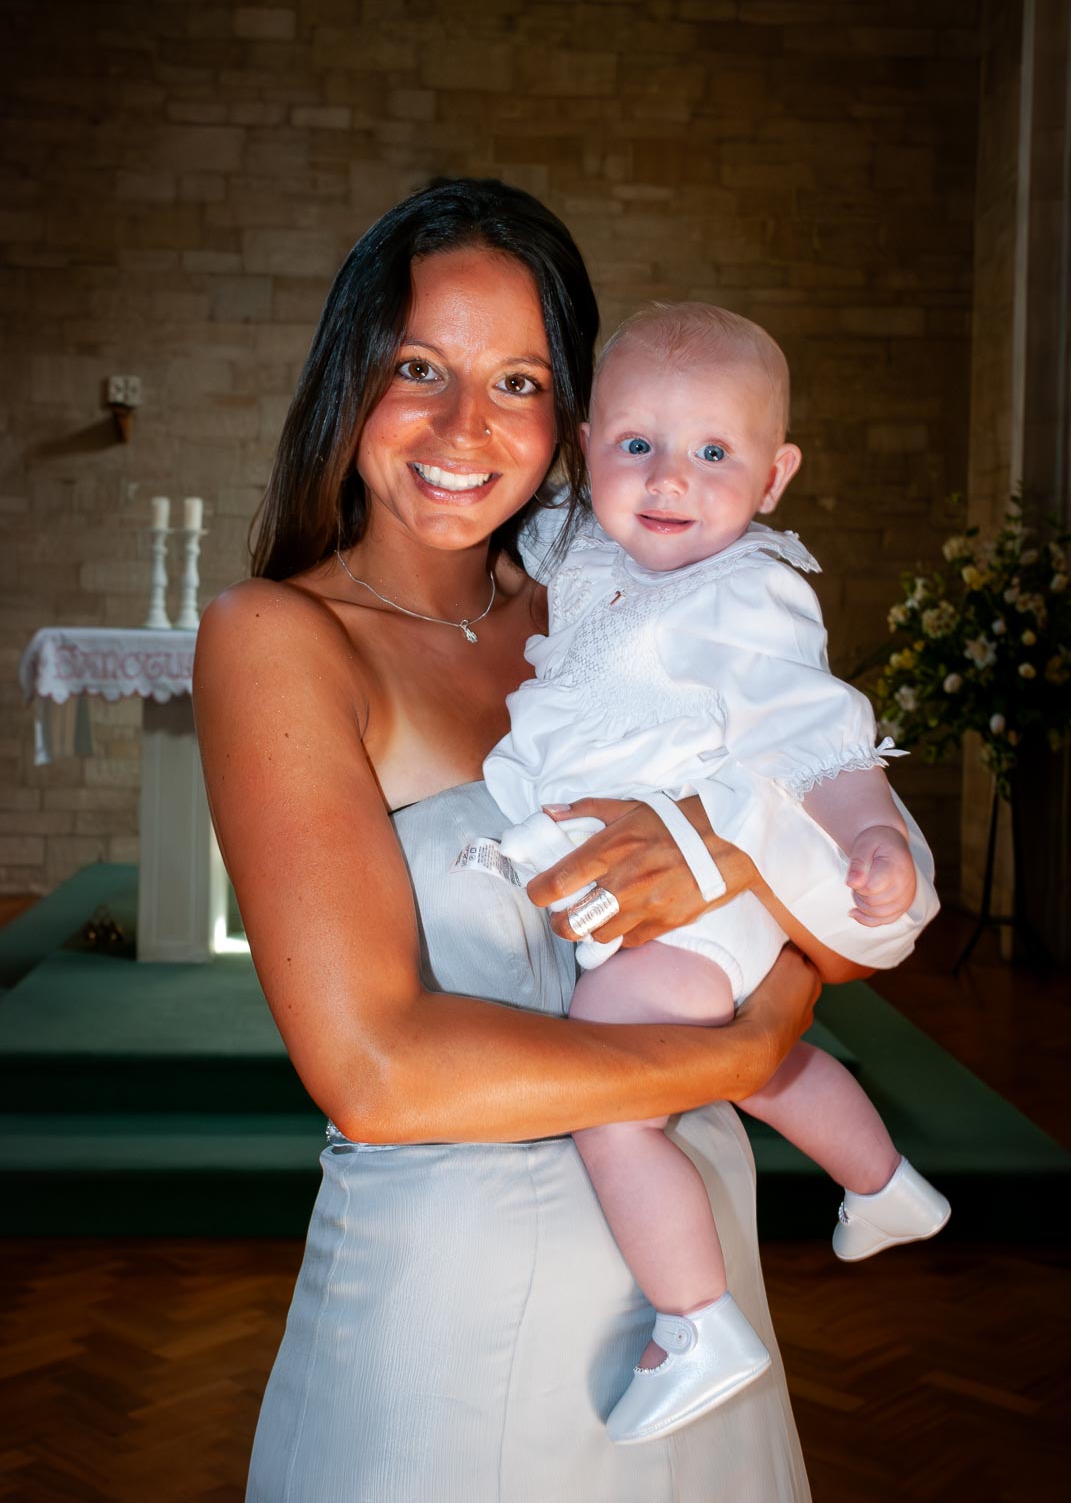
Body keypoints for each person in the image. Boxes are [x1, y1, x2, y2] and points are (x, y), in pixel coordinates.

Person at [194, 178, 930, 1502]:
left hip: (691, 1260)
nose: (463, 424)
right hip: (458, 1304)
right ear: (347, 377)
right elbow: (377, 1074)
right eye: (418, 365)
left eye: (519, 380)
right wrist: (741, 1047)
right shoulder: (281, 642)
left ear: (570, 416)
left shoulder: (630, 607)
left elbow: (854, 931)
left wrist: (724, 855)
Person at [478, 301, 947, 1446]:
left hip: (697, 902)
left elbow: (820, 738)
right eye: (638, 444)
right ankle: (887, 1185)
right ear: (587, 450)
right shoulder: (582, 543)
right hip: (659, 906)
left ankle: (697, 1320)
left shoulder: (751, 593)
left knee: (607, 1089)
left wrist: (869, 834)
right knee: (758, 1066)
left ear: (775, 476)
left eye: (714, 452)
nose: (670, 477)